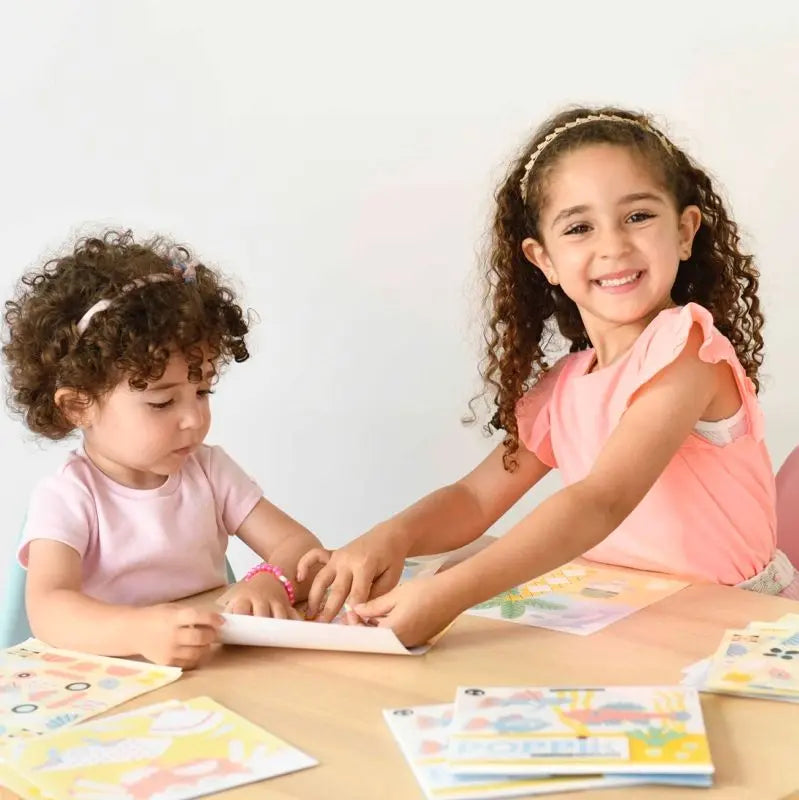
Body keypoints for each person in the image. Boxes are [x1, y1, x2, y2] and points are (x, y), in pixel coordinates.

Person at [298, 107, 796, 647]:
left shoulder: (687, 348)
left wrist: (449, 594)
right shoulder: (566, 386)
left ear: (684, 231)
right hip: (630, 619)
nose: (613, 245)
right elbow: (473, 498)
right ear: (544, 260)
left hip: (736, 627)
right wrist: (388, 538)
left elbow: (600, 499)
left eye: (638, 217)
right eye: (580, 227)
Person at [3, 231, 322, 667]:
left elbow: (300, 547)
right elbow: (50, 609)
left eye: (203, 392)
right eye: (162, 401)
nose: (193, 418)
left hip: (209, 673)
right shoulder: (69, 496)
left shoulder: (209, 471)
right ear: (79, 406)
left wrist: (271, 580)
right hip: (114, 683)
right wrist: (138, 630)